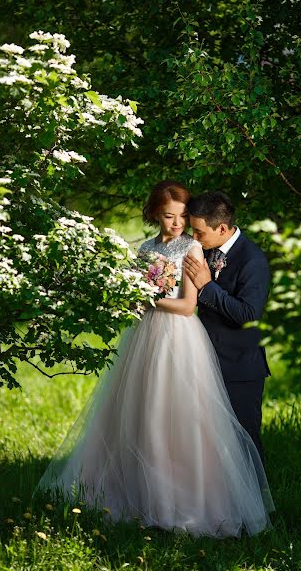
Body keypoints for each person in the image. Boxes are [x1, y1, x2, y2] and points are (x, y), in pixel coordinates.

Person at [36, 180, 274, 538]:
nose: (183, 227)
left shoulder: (243, 258)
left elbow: (225, 309)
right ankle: (144, 495)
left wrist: (164, 295)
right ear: (155, 216)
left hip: (224, 355)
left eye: (190, 223)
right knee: (147, 415)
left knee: (234, 435)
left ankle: (251, 512)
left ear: (220, 228)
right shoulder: (159, 246)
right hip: (157, 339)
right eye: (172, 217)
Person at [184, 191, 271, 463]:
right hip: (203, 361)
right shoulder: (203, 250)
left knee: (245, 441)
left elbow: (247, 313)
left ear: (221, 228)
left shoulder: (253, 260)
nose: (194, 239)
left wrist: (207, 286)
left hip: (239, 367)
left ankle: (258, 504)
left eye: (199, 233)